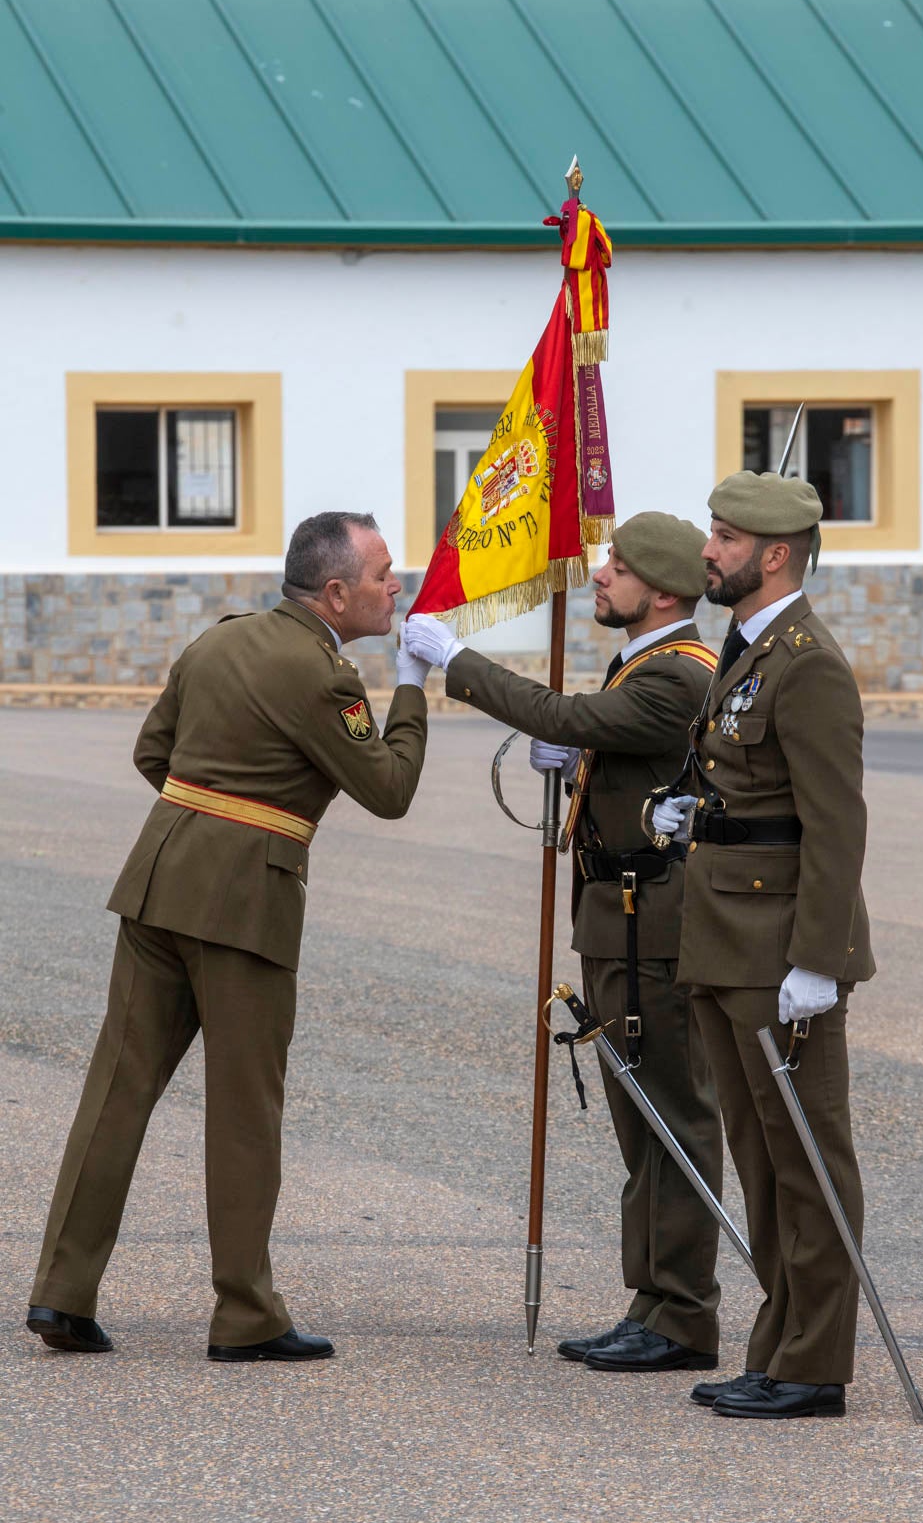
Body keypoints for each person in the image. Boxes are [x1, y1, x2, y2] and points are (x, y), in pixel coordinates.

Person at [26, 512, 431, 1363]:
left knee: (116, 1091)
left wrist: (212, 804)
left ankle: (62, 1293)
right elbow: (389, 789)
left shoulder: (219, 642)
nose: (397, 585)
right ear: (335, 592)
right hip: (246, 904)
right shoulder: (326, 677)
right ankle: (245, 1311)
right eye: (384, 573)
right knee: (246, 1113)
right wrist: (413, 688)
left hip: (159, 878)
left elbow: (154, 754)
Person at [404, 512, 725, 1373]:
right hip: (618, 923)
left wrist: (453, 661)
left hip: (653, 931)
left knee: (674, 1120)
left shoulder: (680, 674)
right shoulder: (644, 664)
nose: (600, 573)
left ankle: (686, 1313)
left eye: (617, 565)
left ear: (661, 591)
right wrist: (578, 754)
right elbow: (594, 730)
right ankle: (652, 1300)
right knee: (638, 1121)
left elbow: (566, 709)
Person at [652, 470, 875, 1419]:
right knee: (759, 1158)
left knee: (808, 1160)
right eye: (714, 532)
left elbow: (835, 823)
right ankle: (777, 1344)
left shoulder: (807, 660)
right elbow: (753, 789)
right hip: (726, 939)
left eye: (725, 537)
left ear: (772, 554)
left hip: (780, 950)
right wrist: (689, 810)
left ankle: (815, 1363)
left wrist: (818, 960)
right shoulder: (749, 649)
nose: (708, 548)